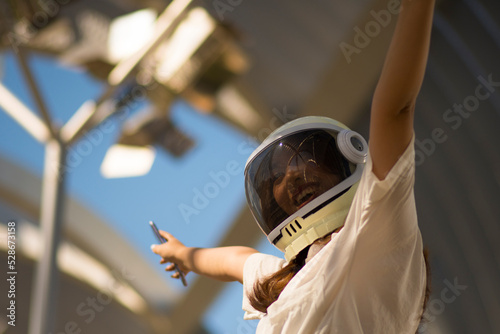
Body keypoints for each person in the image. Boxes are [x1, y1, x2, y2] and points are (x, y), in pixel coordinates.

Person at [151, 0, 435, 332]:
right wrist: (183, 255)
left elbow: (395, 109)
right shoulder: (287, 279)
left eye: (307, 160)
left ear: (346, 157)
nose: (291, 177)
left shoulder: (378, 228)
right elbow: (236, 262)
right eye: (276, 178)